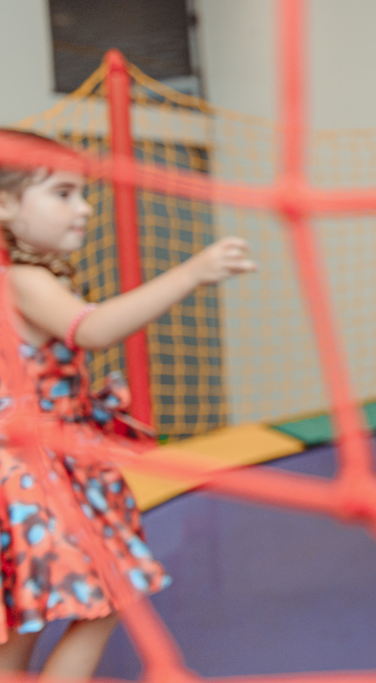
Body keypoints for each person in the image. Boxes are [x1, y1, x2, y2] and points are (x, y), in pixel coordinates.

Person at [0, 129, 256, 676]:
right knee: (113, 593)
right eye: (63, 193)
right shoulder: (23, 280)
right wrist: (190, 273)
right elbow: (91, 330)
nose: (84, 208)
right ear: (4, 204)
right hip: (33, 474)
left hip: (27, 468)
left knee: (24, 618)